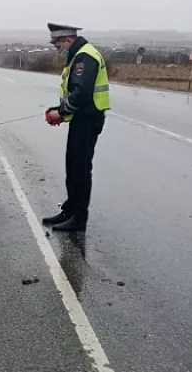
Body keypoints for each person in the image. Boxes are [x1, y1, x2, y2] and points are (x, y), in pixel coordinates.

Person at [42, 23, 110, 232]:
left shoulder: (84, 57)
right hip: (81, 118)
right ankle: (70, 210)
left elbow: (81, 93)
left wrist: (60, 112)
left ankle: (79, 218)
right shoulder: (78, 55)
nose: (58, 49)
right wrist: (61, 111)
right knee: (72, 167)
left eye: (58, 45)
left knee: (80, 169)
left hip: (88, 119)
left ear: (68, 40)